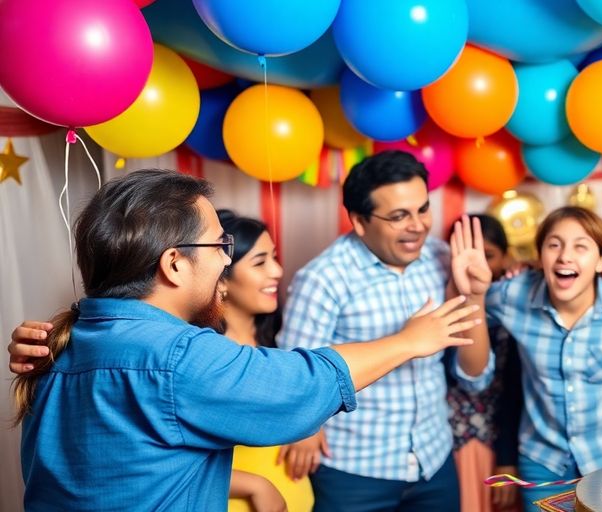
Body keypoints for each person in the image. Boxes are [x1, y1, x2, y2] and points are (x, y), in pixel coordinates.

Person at [9, 169, 481, 510]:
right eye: (220, 247)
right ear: (174, 264)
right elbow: (300, 385)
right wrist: (409, 341)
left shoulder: (61, 346)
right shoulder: (176, 357)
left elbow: (116, 473)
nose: (225, 262)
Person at [275, 150, 494, 512]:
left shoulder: (443, 260)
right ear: (360, 221)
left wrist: (474, 295)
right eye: (398, 216)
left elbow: (474, 376)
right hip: (354, 472)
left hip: (434, 461)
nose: (418, 225)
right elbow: (297, 381)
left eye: (423, 209)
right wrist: (305, 432)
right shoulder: (323, 279)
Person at [485, 206, 602, 510]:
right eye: (554, 245)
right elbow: (471, 303)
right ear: (539, 257)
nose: (564, 256)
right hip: (541, 458)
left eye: (580, 246)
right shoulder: (513, 294)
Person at [212, 210, 313, 512]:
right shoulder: (204, 356)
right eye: (260, 262)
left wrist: (311, 425)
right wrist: (255, 485)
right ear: (221, 280)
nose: (278, 271)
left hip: (298, 498)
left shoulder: (279, 340)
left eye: (274, 257)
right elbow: (169, 457)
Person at [444, 214, 522, 512]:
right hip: (453, 440)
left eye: (488, 256)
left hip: (500, 438)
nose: (476, 265)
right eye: (464, 256)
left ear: (506, 257)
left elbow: (514, 391)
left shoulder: (515, 306)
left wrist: (507, 457)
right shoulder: (444, 298)